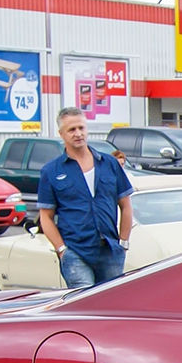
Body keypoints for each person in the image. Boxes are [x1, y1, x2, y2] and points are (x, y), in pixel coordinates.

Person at [37, 106, 135, 287]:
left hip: (110, 249)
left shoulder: (109, 163)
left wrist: (123, 242)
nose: (78, 134)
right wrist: (61, 249)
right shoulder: (51, 171)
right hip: (75, 252)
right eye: (71, 130)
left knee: (110, 304)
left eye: (81, 128)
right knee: (84, 305)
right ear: (61, 134)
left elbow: (126, 204)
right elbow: (46, 216)